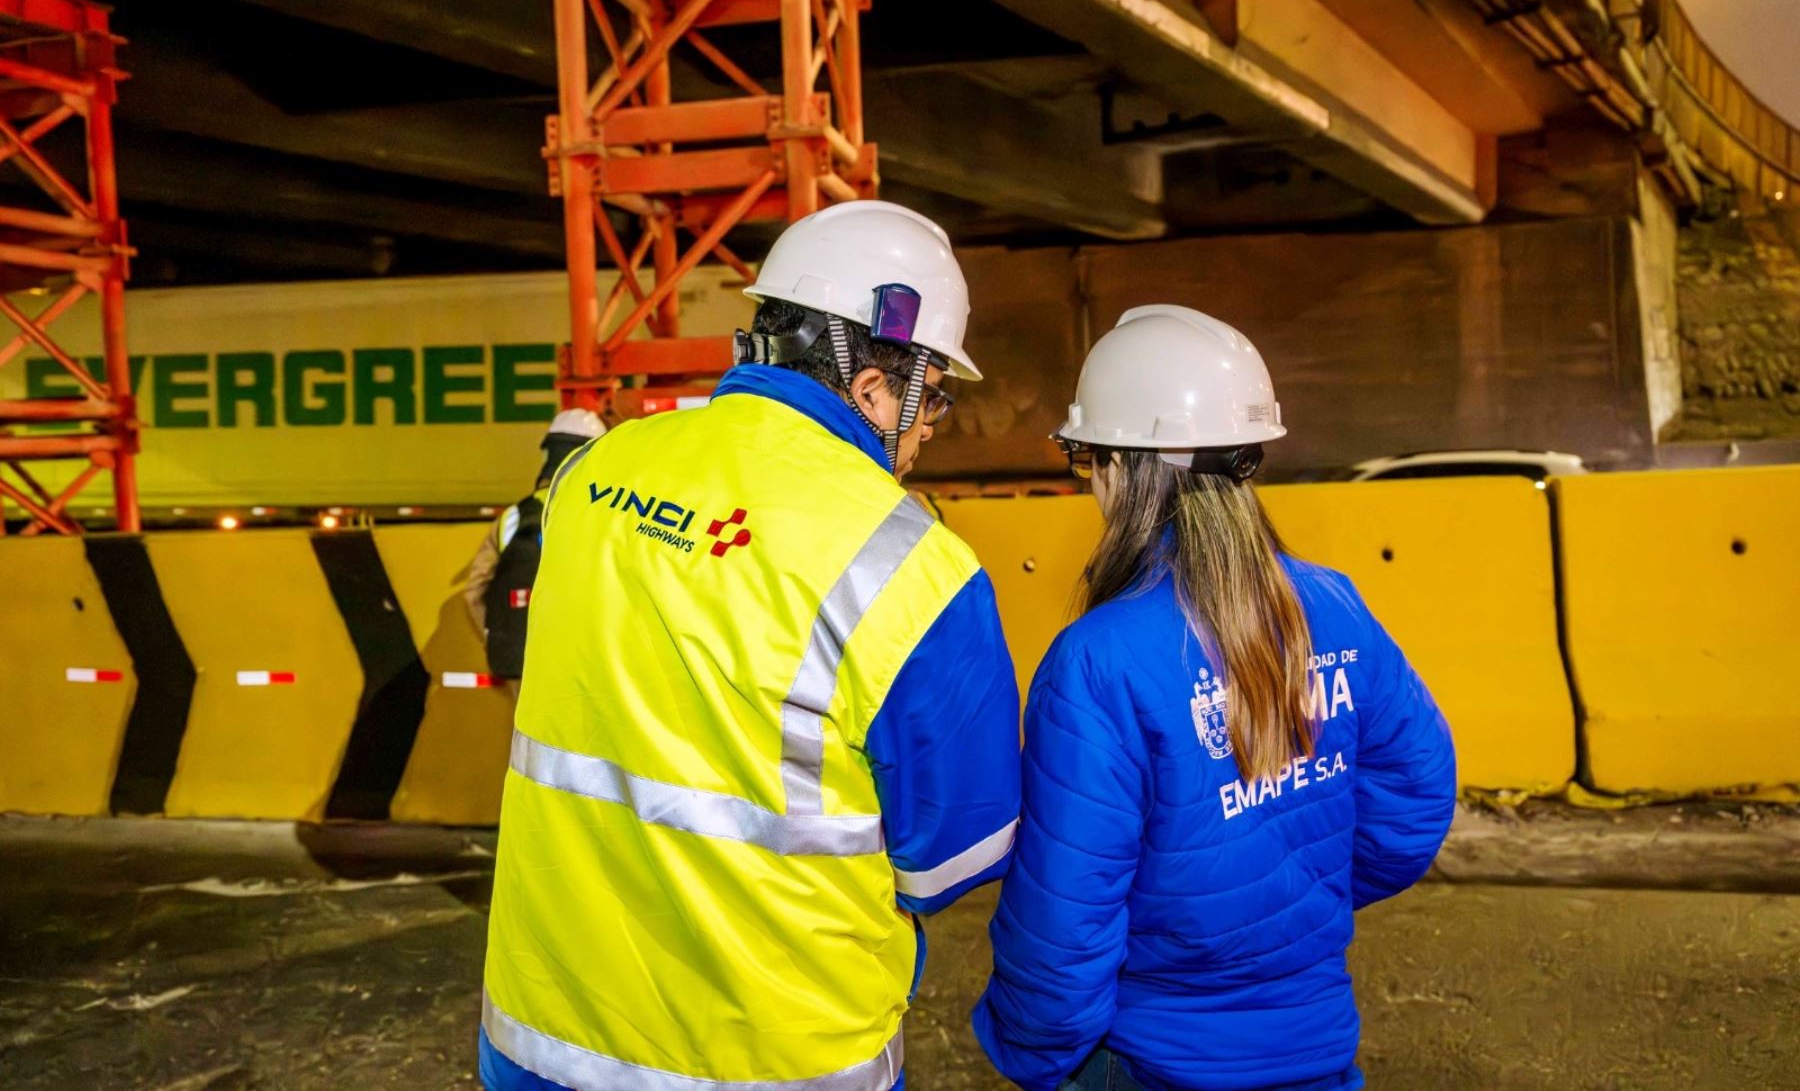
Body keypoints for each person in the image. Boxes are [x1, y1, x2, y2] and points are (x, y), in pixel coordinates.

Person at [479, 200, 1022, 1091]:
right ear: (876, 386)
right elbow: (949, 859)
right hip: (769, 1062)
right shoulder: (913, 564)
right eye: (935, 395)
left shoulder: (591, 479)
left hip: (542, 1038)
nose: (933, 425)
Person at [973, 305, 1457, 1091]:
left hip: (1154, 1058)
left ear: (1126, 466)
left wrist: (1035, 1055)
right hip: (1316, 1047)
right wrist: (1285, 918)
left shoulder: (1099, 660)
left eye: (1085, 457)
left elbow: (1064, 920)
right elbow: (1417, 800)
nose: (1089, 479)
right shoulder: (1336, 606)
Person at [462, 408, 606, 694]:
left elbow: (474, 592)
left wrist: (502, 634)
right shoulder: (601, 513)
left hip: (524, 660)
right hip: (584, 662)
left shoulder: (514, 517)